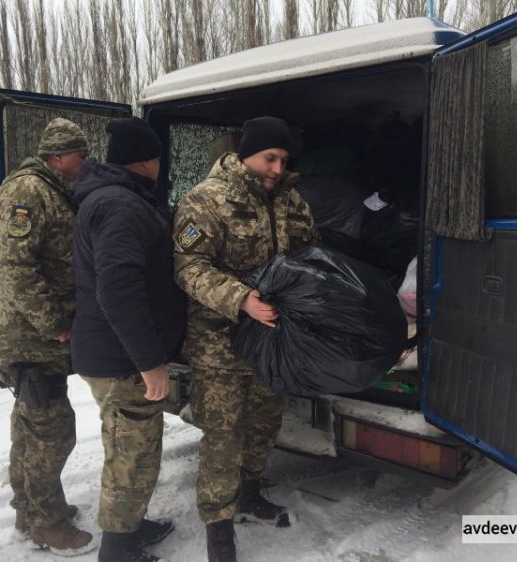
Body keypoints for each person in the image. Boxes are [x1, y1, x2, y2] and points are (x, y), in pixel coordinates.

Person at [173, 116, 320, 562]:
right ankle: (219, 529)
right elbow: (188, 268)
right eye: (269, 158)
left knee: (263, 425)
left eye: (283, 159)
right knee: (222, 437)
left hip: (274, 343)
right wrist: (241, 299)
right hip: (220, 345)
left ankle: (251, 493)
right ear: (245, 154)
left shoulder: (292, 202)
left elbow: (312, 254)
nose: (277, 168)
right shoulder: (206, 200)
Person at [72, 117, 186, 562]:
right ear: (149, 160)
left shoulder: (117, 199)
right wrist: (150, 362)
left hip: (113, 354)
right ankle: (119, 550)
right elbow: (117, 289)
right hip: (122, 361)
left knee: (128, 448)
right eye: (159, 157)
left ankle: (131, 527)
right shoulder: (120, 206)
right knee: (131, 459)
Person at [0, 118, 93, 556]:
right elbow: (14, 270)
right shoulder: (28, 193)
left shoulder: (54, 191)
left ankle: (30, 510)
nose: (85, 164)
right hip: (29, 338)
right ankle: (48, 524)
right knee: (54, 432)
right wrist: (54, 323)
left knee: (30, 428)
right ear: (57, 157)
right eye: (80, 157)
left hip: (34, 339)